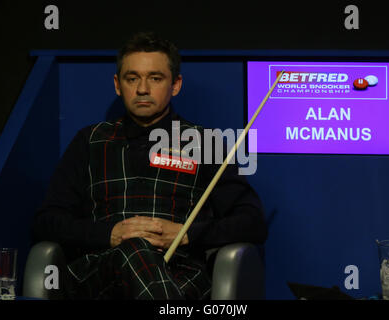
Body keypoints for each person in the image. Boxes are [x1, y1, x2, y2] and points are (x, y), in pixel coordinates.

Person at [32, 31, 267, 300]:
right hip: (101, 272)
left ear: (175, 84)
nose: (142, 89)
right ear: (118, 85)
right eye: (132, 79)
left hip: (180, 273)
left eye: (155, 78)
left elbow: (253, 223)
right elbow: (46, 222)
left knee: (143, 260)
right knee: (135, 250)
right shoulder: (90, 141)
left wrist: (186, 234)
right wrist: (110, 233)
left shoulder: (205, 143)